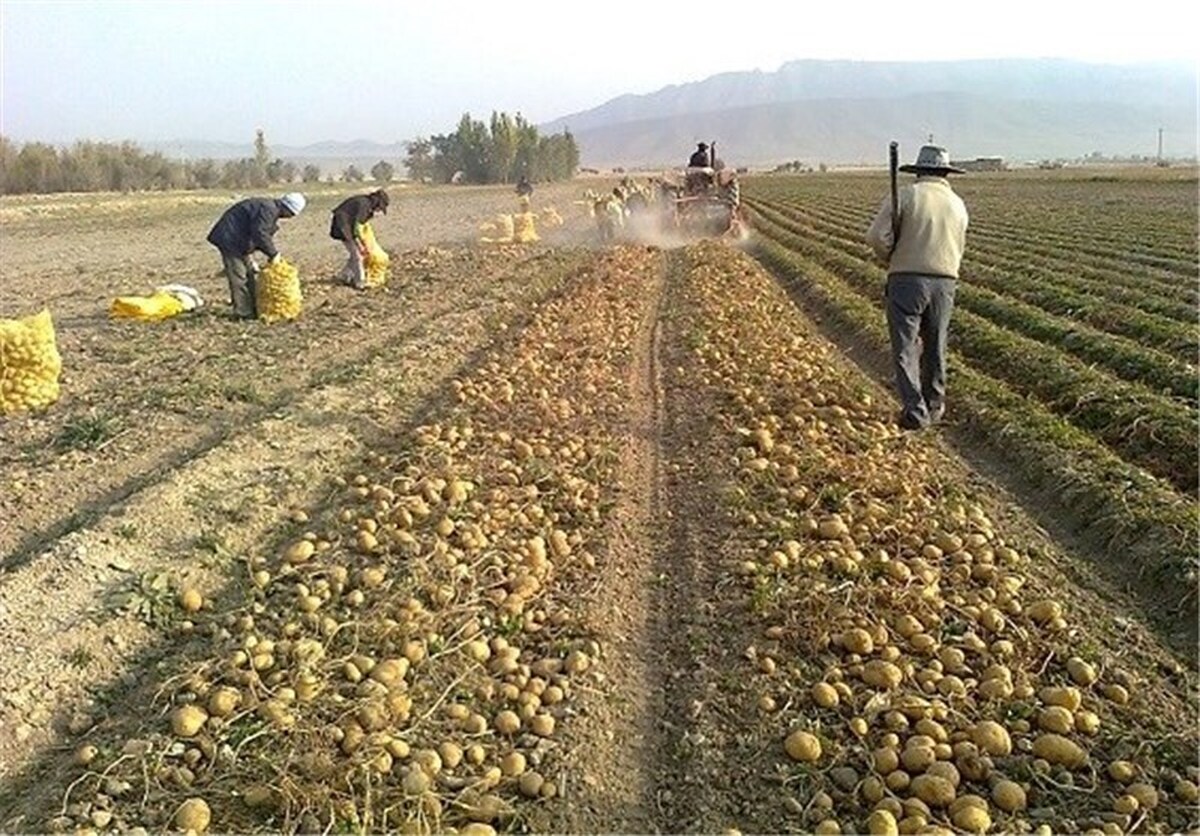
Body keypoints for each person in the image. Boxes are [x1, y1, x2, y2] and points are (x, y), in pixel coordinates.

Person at [866, 145, 969, 430]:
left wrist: (891, 254)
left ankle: (915, 412)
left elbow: (876, 236)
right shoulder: (958, 204)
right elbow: (960, 246)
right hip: (945, 282)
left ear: (918, 171)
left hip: (906, 280)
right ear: (945, 173)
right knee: (936, 344)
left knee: (906, 346)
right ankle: (934, 406)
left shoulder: (906, 196)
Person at [207, 192, 306, 319]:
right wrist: (273, 254)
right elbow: (260, 233)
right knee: (239, 276)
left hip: (237, 240)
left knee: (249, 274)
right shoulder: (268, 209)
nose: (290, 217)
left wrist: (252, 254)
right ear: (288, 209)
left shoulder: (269, 208)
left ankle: (253, 307)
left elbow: (256, 233)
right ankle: (243, 312)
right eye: (292, 214)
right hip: (229, 240)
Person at [329, 188, 389, 290]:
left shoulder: (365, 202)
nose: (378, 211)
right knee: (358, 255)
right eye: (380, 208)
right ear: (378, 203)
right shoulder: (364, 206)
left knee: (356, 253)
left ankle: (343, 276)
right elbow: (358, 228)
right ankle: (359, 282)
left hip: (345, 225)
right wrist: (362, 245)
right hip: (342, 226)